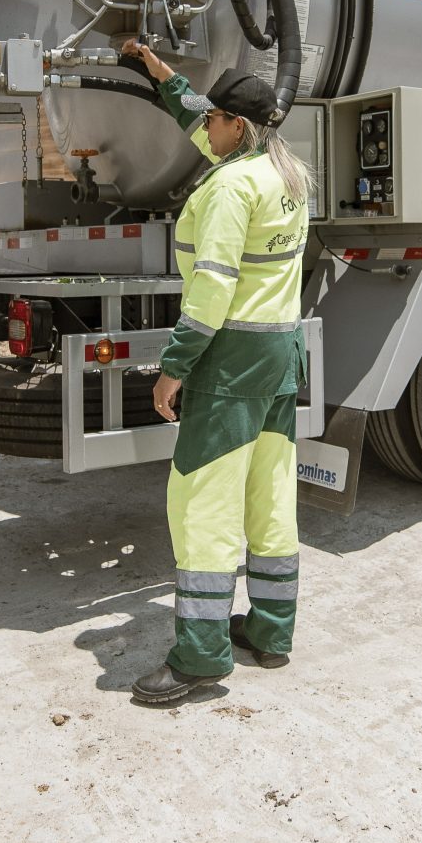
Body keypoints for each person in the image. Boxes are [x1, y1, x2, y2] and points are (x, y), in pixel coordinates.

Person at [117, 40, 311, 706]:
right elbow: (196, 115)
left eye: (215, 119)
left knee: (202, 505)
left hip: (228, 363)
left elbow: (212, 288)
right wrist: (157, 71)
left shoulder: (231, 186)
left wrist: (174, 367)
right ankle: (270, 632)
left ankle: (199, 659)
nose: (205, 127)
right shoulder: (285, 176)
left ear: (237, 126)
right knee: (271, 498)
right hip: (280, 360)